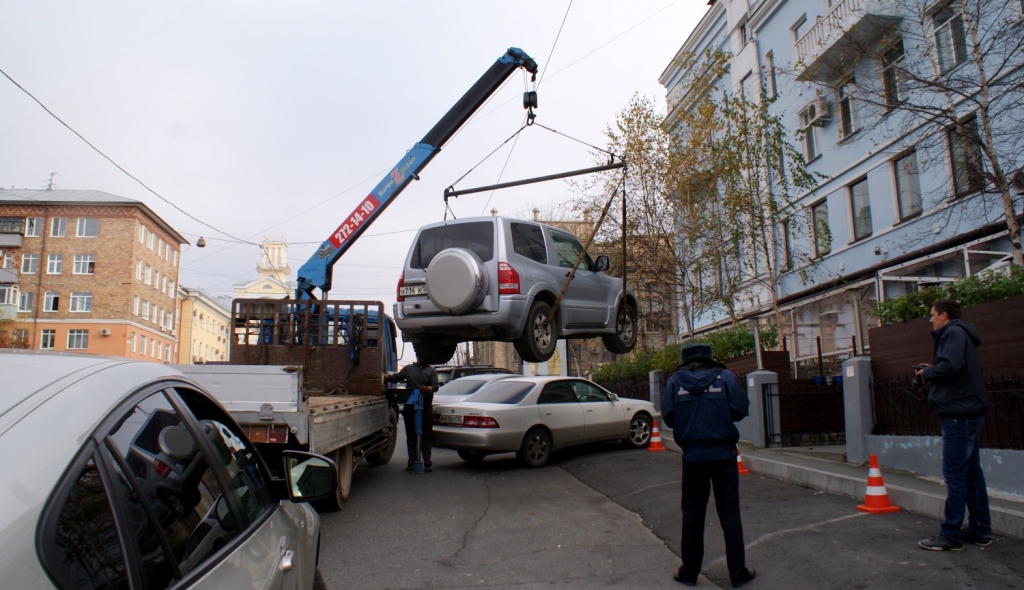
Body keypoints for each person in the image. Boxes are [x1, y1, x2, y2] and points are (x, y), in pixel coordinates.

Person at [662, 343, 756, 588]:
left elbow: (669, 417)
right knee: (730, 515)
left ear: (685, 360)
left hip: (693, 458)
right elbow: (740, 409)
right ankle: (738, 574)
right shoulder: (725, 378)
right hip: (723, 456)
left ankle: (689, 573)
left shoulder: (674, 382)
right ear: (709, 358)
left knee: (692, 515)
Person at [915, 299, 991, 551]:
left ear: (944, 315)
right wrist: (933, 368)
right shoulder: (959, 334)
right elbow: (952, 367)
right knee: (971, 473)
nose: (930, 320)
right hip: (967, 410)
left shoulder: (954, 333)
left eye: (932, 315)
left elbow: (950, 366)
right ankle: (980, 530)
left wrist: (927, 374)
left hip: (959, 413)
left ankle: (951, 534)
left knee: (955, 475)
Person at [384, 354, 439, 472]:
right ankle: (412, 461)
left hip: (425, 407)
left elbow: (435, 386)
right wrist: (385, 377)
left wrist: (428, 389)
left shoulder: (431, 371)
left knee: (426, 435)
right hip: (410, 407)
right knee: (411, 435)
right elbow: (396, 378)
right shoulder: (409, 369)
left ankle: (427, 463)